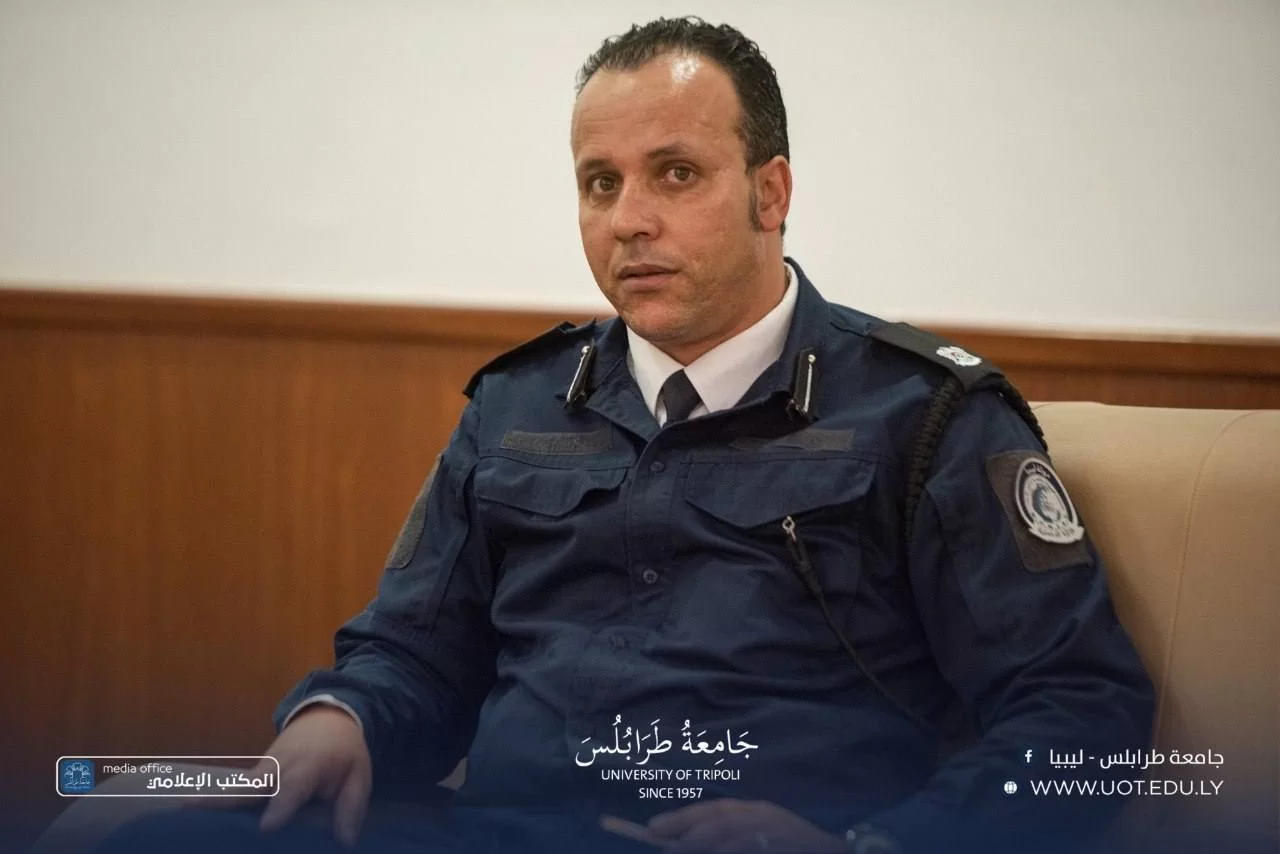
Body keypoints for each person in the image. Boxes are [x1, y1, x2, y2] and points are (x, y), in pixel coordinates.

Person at [95, 16, 1154, 854]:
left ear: (771, 192)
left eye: (674, 173)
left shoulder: (923, 414)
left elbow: (1079, 715)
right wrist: (341, 717)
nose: (627, 219)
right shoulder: (515, 405)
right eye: (599, 183)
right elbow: (411, 654)